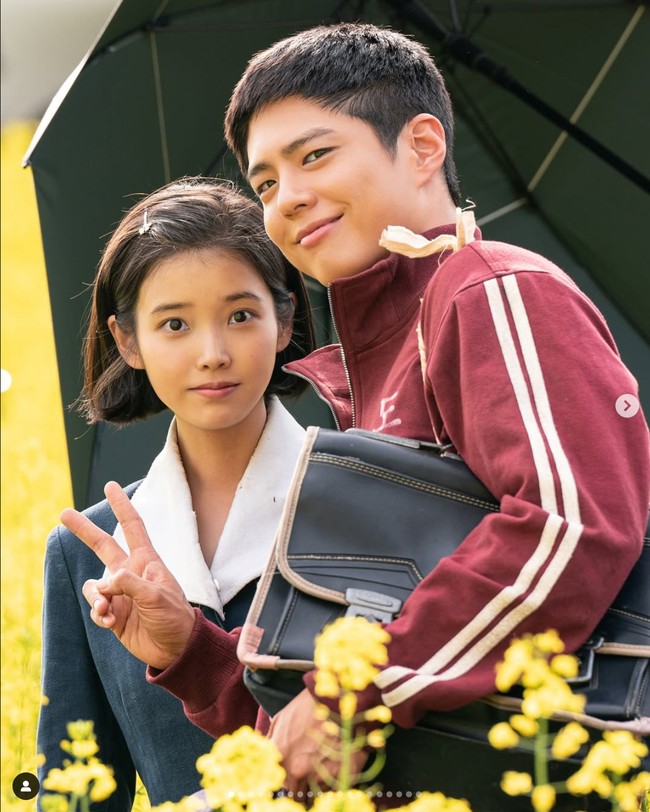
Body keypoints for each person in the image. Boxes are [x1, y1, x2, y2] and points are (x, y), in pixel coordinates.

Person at [60, 23, 649, 805]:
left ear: (423, 145)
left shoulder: (487, 289)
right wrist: (196, 653)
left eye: (314, 156)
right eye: (264, 182)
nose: (288, 197)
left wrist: (351, 694)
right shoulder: (371, 375)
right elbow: (333, 743)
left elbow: (571, 525)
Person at [38, 178, 315, 810]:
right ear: (128, 340)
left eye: (240, 315)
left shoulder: (364, 496)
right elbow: (73, 791)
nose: (212, 353)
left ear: (285, 320)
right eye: (175, 324)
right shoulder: (85, 552)